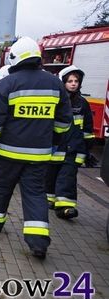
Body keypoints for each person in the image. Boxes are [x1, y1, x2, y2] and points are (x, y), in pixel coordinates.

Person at [0, 37, 73, 259]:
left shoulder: (8, 84)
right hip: (39, 155)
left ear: (15, 58)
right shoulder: (55, 84)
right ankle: (38, 241)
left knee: (2, 188)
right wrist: (55, 141)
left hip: (8, 153)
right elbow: (64, 121)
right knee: (35, 194)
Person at [45, 65, 94, 219]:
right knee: (51, 176)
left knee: (67, 176)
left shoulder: (83, 103)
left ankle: (66, 207)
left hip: (74, 148)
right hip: (56, 146)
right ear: (63, 82)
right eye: (70, 81)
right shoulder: (55, 101)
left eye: (76, 81)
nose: (73, 84)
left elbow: (87, 128)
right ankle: (51, 200)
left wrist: (87, 150)